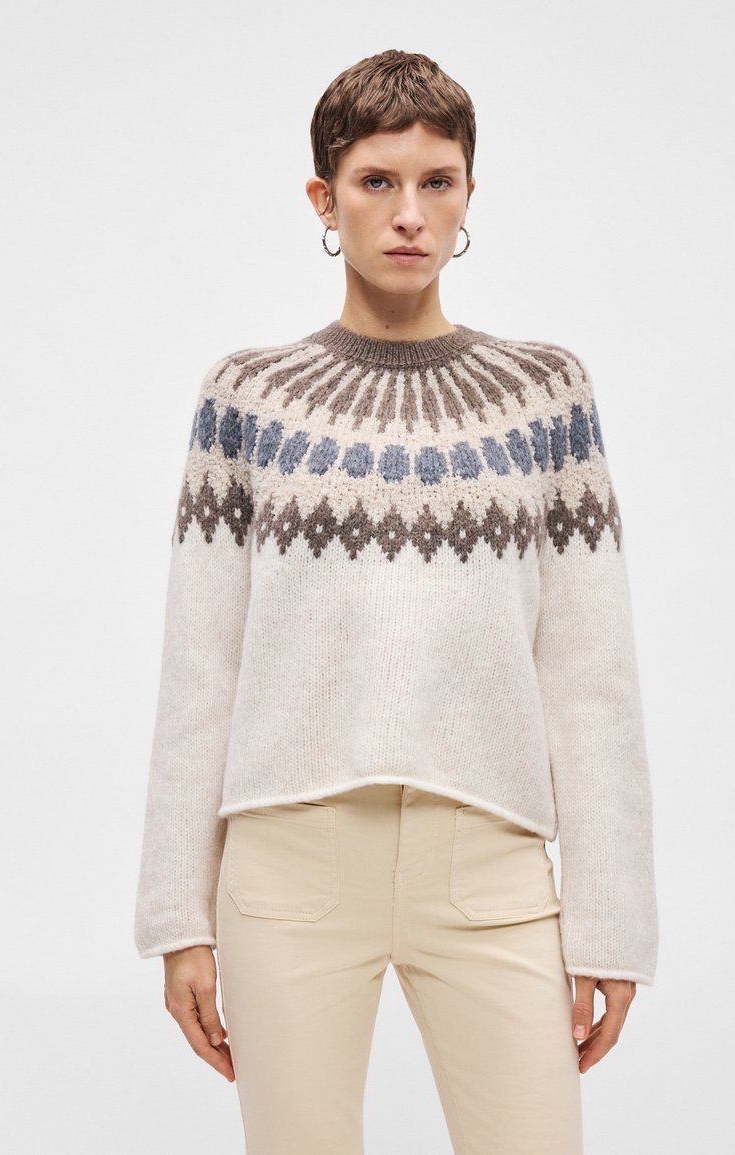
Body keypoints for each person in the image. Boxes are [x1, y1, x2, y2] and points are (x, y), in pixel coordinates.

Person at [134, 48, 659, 1154]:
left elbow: (589, 673)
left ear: (469, 194)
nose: (408, 213)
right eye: (376, 181)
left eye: (437, 181)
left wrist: (612, 921)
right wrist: (179, 914)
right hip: (288, 865)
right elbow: (202, 664)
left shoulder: (544, 397)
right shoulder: (247, 399)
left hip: (490, 863)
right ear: (324, 199)